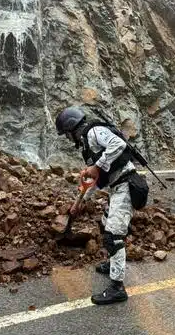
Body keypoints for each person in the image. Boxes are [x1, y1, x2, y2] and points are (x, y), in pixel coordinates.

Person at [55, 105, 144, 305]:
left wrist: (96, 166)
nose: (69, 139)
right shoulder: (88, 143)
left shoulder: (94, 132)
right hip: (117, 188)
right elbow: (96, 179)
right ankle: (113, 263)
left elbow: (118, 145)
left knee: (113, 236)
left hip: (126, 186)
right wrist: (81, 201)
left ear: (72, 128)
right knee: (105, 225)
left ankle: (117, 288)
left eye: (68, 135)